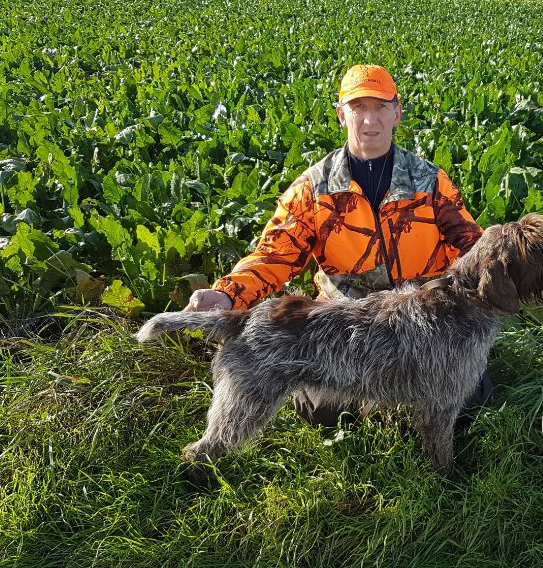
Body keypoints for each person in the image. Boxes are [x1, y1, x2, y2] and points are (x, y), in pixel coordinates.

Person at [183, 64, 494, 425]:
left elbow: (473, 249)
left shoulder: (431, 182)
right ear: (341, 115)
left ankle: (405, 403)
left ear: (397, 113)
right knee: (325, 409)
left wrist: (508, 277)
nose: (369, 120)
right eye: (358, 107)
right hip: (348, 328)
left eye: (380, 107)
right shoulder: (312, 189)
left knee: (473, 397)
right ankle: (391, 406)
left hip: (420, 324)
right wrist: (226, 295)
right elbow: (274, 254)